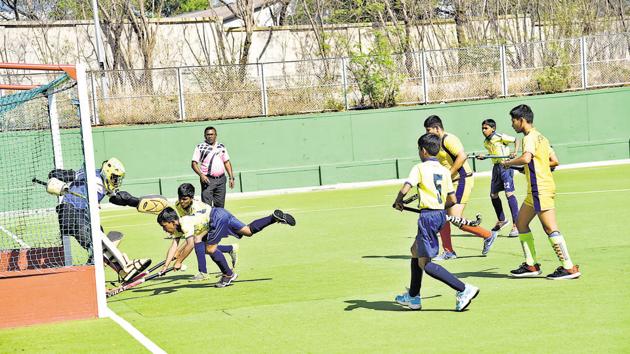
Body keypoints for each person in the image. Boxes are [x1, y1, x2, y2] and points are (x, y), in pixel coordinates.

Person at [393, 133, 480, 311]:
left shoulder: (419, 168)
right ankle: (413, 297)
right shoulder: (444, 170)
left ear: (423, 151)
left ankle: (463, 289)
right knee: (415, 251)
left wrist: (399, 200)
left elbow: (406, 187)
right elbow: (452, 200)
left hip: (428, 218)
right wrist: (438, 208)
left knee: (426, 263)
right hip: (439, 216)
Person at [501, 104, 581, 279]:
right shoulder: (541, 138)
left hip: (540, 189)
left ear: (521, 120)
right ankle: (531, 265)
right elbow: (553, 161)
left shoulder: (529, 138)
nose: (512, 124)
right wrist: (528, 169)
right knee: (521, 223)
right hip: (535, 190)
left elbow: (526, 158)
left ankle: (568, 267)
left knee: (550, 228)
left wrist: (508, 163)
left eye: (513, 121)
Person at [47, 158, 151, 283]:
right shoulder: (90, 175)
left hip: (83, 216)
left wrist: (136, 202)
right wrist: (61, 182)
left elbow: (118, 198)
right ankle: (126, 266)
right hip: (70, 213)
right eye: (115, 177)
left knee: (98, 244)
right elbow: (55, 174)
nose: (116, 181)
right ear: (107, 171)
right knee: (98, 239)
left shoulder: (104, 184)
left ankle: (116, 270)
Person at [157, 205, 296, 288]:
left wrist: (179, 261)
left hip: (216, 218)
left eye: (164, 226)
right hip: (221, 213)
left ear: (172, 221)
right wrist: (165, 266)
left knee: (210, 249)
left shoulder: (185, 222)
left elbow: (190, 244)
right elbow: (174, 246)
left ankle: (228, 274)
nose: (164, 229)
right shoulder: (177, 227)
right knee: (247, 231)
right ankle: (273, 218)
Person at [423, 115, 498, 260]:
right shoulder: (435, 143)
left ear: (437, 128)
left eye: (429, 130)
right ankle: (448, 251)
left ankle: (488, 235)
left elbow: (462, 156)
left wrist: (448, 175)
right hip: (450, 182)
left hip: (462, 180)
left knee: (455, 218)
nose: (427, 134)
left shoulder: (449, 139)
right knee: (442, 215)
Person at [174, 183, 239, 281]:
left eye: (185, 199)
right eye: (180, 198)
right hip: (201, 224)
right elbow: (186, 225)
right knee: (204, 248)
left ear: (191, 198)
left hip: (213, 222)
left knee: (197, 241)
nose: (181, 202)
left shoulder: (197, 208)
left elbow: (191, 238)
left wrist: (179, 251)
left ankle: (203, 272)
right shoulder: (178, 205)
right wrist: (178, 251)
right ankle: (230, 249)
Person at [475, 118, 520, 237]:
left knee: (509, 194)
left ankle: (517, 224)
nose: (483, 130)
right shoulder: (486, 142)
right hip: (496, 168)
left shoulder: (500, 137)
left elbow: (516, 140)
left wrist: (515, 152)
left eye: (486, 128)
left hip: (506, 165)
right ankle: (502, 220)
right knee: (493, 195)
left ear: (493, 128)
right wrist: (485, 156)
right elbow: (494, 154)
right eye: (482, 128)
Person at [191, 126, 235, 207]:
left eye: (212, 134)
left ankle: (218, 220)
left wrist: (231, 177)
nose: (210, 136)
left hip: (221, 180)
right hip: (207, 180)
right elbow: (194, 164)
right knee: (207, 206)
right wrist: (201, 175)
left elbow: (227, 162)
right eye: (208, 134)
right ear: (205, 136)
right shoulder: (200, 147)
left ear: (216, 135)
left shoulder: (221, 146)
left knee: (220, 206)